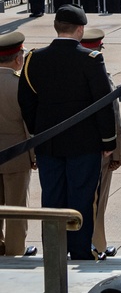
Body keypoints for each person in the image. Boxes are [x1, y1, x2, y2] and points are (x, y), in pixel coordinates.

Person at [17, 5, 117, 260]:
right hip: (84, 144)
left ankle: (54, 251)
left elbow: (26, 101)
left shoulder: (33, 58)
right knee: (81, 198)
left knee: (52, 197)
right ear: (81, 29)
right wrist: (108, 140)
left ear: (56, 27)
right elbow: (103, 103)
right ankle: (81, 251)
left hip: (48, 142)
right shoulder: (91, 59)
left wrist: (38, 131)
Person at [81, 29, 121, 259]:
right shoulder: (100, 75)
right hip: (99, 149)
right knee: (97, 199)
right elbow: (113, 114)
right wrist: (117, 151)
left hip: (73, 148)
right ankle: (97, 245)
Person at [0, 32, 37, 257]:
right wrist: (33, 156)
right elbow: (28, 126)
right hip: (16, 157)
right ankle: (14, 254)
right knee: (16, 211)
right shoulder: (19, 85)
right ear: (17, 59)